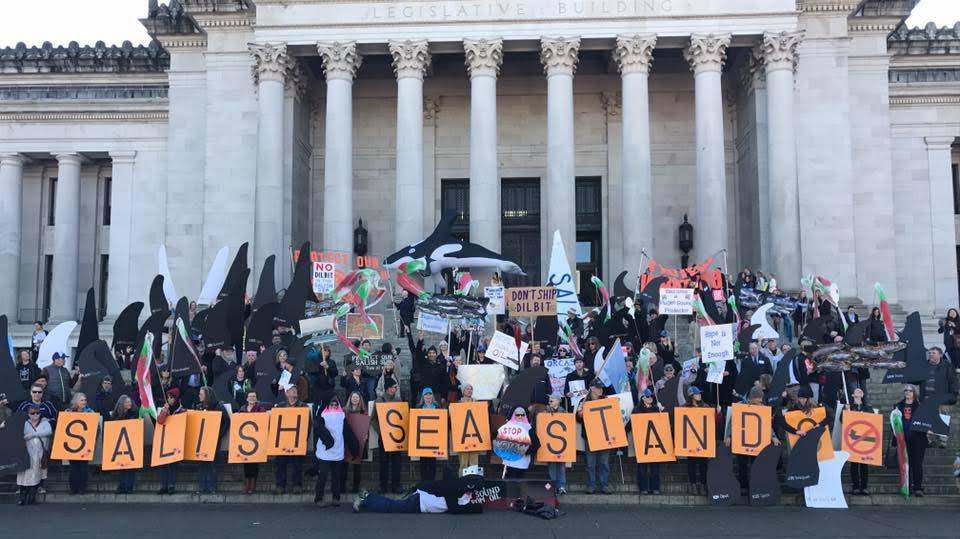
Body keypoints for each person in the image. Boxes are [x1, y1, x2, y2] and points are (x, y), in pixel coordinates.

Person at [353, 466, 485, 514]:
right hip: (420, 502)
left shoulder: (461, 490)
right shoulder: (455, 488)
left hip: (421, 499)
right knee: (391, 506)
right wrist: (474, 508)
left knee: (392, 504)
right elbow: (454, 509)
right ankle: (366, 498)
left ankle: (367, 497)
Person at [314, 394, 359, 507]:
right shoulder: (321, 415)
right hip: (325, 449)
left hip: (337, 449)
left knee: (336, 476)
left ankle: (336, 497)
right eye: (331, 404)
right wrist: (328, 440)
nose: (334, 406)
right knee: (323, 475)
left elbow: (347, 432)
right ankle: (318, 498)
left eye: (336, 404)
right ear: (327, 405)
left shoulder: (341, 416)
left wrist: (354, 447)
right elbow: (319, 429)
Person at [577, 380, 611, 494]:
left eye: (601, 387)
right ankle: (591, 485)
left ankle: (604, 485)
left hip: (604, 436)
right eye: (598, 387)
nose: (600, 389)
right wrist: (579, 414)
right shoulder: (584, 401)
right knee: (590, 464)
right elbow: (577, 419)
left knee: (604, 463)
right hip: (590, 436)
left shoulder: (606, 400)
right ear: (591, 388)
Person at [193, 386, 229, 494]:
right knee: (202, 464)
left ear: (207, 395)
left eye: (201, 394)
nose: (199, 395)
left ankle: (212, 487)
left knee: (212, 464)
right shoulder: (199, 407)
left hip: (213, 440)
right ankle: (202, 487)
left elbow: (226, 422)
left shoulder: (219, 406)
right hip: (202, 440)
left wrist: (218, 435)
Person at [371, 378, 404, 493]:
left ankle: (396, 485)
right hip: (384, 437)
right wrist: (381, 431)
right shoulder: (379, 400)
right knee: (383, 462)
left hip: (397, 437)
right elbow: (373, 419)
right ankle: (383, 486)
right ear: (389, 388)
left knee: (397, 462)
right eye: (394, 387)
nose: (396, 389)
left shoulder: (399, 400)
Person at [273, 385, 308, 494]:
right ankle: (280, 485)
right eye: (291, 390)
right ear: (286, 393)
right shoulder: (280, 406)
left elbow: (308, 424)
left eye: (295, 390)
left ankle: (297, 485)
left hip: (298, 440)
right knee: (280, 463)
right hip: (283, 440)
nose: (293, 391)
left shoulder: (303, 406)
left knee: (298, 464)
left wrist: (304, 438)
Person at [16, 404, 52, 505]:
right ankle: (22, 499)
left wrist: (33, 434)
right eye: (32, 413)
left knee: (36, 476)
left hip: (39, 454)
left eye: (37, 413)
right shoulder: (24, 424)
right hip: (26, 454)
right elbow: (18, 435)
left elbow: (48, 431)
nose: (35, 415)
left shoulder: (45, 423)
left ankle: (32, 499)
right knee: (24, 476)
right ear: (28, 414)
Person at [897, 385, 927, 496]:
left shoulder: (920, 406)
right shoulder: (898, 406)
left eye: (910, 390)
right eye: (906, 390)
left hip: (918, 439)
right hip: (903, 439)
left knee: (917, 464)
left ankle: (918, 487)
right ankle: (907, 487)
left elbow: (926, 422)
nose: (908, 392)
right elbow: (893, 422)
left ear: (914, 392)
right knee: (905, 464)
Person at [156, 387, 185, 494]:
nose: (169, 400)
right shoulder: (165, 409)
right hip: (164, 439)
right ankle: (164, 485)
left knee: (173, 464)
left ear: (176, 399)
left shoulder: (182, 410)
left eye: (172, 398)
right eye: (168, 398)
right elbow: (159, 421)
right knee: (163, 463)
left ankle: (171, 485)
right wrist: (164, 411)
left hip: (175, 440)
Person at [845, 388, 874, 495]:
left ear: (862, 395)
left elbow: (873, 420)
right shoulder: (849, 407)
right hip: (853, 440)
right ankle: (856, 486)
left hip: (865, 439)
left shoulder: (868, 408)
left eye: (860, 391)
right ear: (853, 395)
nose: (859, 391)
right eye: (856, 390)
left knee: (864, 463)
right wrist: (847, 411)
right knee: (854, 464)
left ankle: (864, 486)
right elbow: (842, 420)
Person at [237, 390, 264, 494]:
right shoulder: (242, 409)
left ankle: (253, 485)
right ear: (247, 398)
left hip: (256, 440)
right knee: (246, 463)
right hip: (244, 440)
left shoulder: (260, 409)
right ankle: (247, 484)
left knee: (254, 464)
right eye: (250, 396)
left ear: (256, 398)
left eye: (254, 396)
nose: (252, 398)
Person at [110, 395, 138, 494]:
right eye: (127, 402)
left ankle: (129, 486)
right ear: (122, 404)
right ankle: (121, 486)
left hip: (131, 443)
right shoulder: (115, 415)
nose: (129, 404)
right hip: (120, 444)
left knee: (130, 467)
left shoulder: (134, 413)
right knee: (121, 466)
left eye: (130, 402)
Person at [66, 392, 94, 495]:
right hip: (72, 444)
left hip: (85, 444)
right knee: (73, 467)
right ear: (76, 401)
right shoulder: (68, 412)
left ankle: (82, 487)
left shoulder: (90, 412)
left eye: (85, 400)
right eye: (82, 400)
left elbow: (96, 427)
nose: (84, 402)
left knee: (83, 467)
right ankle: (73, 488)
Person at [341, 391, 368, 493]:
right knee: (344, 465)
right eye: (353, 397)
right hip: (346, 441)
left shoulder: (363, 412)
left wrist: (366, 435)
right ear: (350, 399)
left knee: (357, 466)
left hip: (359, 441)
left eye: (357, 397)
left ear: (360, 399)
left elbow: (366, 426)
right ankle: (342, 487)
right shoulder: (344, 411)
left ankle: (356, 487)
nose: (355, 399)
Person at [684, 386, 710, 495]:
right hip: (691, 439)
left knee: (703, 464)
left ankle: (703, 484)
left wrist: (718, 413)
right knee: (692, 463)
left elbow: (714, 421)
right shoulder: (684, 408)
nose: (699, 395)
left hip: (703, 439)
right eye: (697, 393)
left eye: (699, 393)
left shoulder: (706, 407)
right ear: (691, 396)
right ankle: (693, 484)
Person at [544, 394, 567, 495]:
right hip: (550, 443)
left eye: (552, 399)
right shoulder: (545, 411)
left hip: (561, 443)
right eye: (549, 400)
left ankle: (561, 487)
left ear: (558, 401)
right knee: (552, 466)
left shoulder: (564, 412)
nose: (550, 401)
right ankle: (552, 487)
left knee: (561, 466)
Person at [417, 387, 440, 482]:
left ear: (432, 395)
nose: (428, 396)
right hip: (422, 439)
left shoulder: (437, 407)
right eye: (426, 394)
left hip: (433, 438)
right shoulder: (418, 407)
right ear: (423, 396)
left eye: (430, 394)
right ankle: (424, 483)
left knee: (432, 462)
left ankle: (431, 483)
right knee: (423, 462)